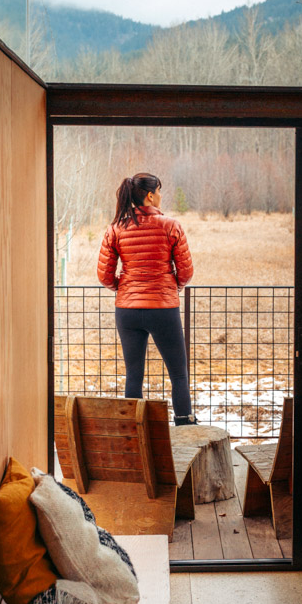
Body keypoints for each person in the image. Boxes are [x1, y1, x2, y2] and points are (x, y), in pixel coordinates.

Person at [97, 172, 197, 425]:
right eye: (159, 192)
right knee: (178, 373)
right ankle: (184, 421)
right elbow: (185, 271)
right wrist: (173, 286)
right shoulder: (171, 225)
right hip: (163, 308)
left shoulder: (116, 228)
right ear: (150, 196)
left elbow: (105, 276)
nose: (161, 196)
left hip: (127, 310)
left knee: (134, 374)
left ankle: (134, 427)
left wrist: (125, 288)